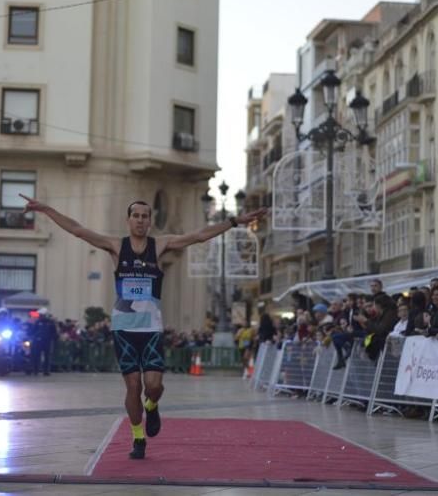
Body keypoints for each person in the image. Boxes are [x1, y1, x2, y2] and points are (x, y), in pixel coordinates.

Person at [21, 193, 265, 460]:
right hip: (123, 328)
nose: (140, 220)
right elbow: (78, 230)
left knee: (154, 386)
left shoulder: (159, 246)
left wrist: (234, 221)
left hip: (151, 329)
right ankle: (138, 438)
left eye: (144, 216)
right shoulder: (116, 246)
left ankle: (152, 405)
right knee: (133, 386)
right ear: (128, 220)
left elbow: (198, 235)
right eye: (135, 216)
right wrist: (46, 209)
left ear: (150, 221)